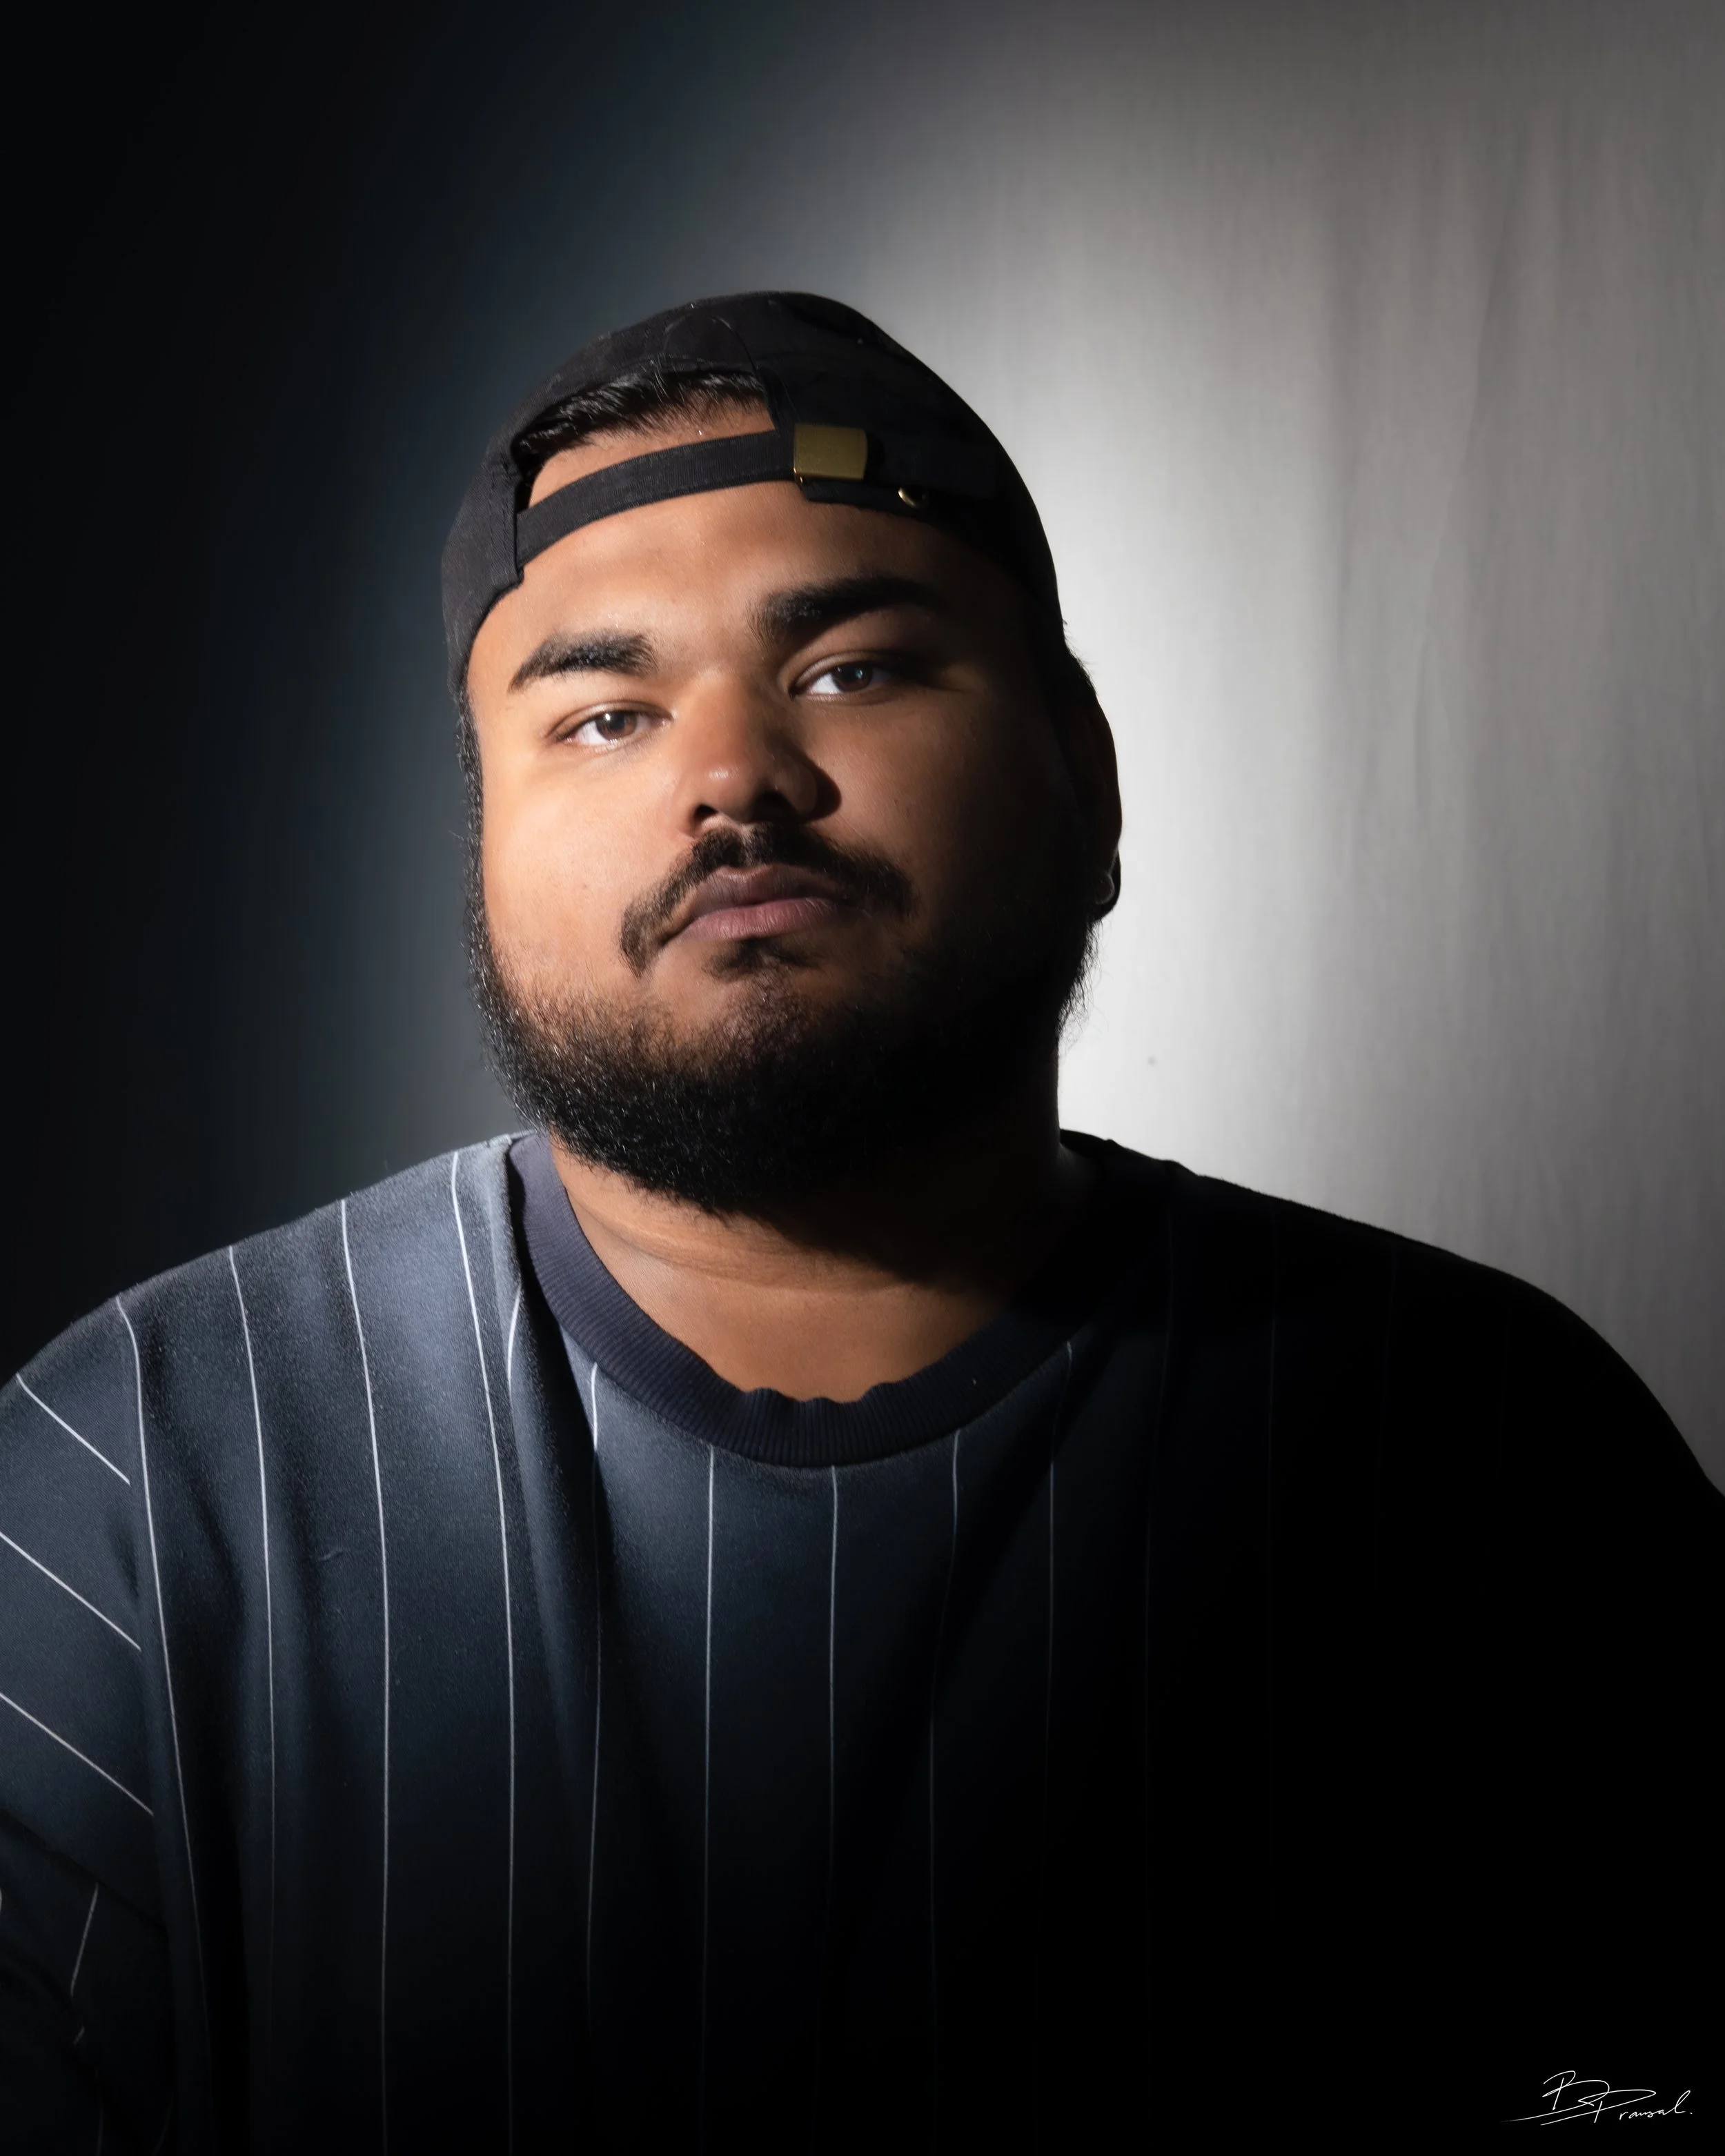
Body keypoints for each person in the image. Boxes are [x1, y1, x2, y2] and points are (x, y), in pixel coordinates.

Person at [1, 292, 1717, 2150]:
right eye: (603, 713)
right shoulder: (143, 1478)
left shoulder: (1477, 1445)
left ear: (1091, 774)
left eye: (851, 671)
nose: (728, 778)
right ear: (480, 841)